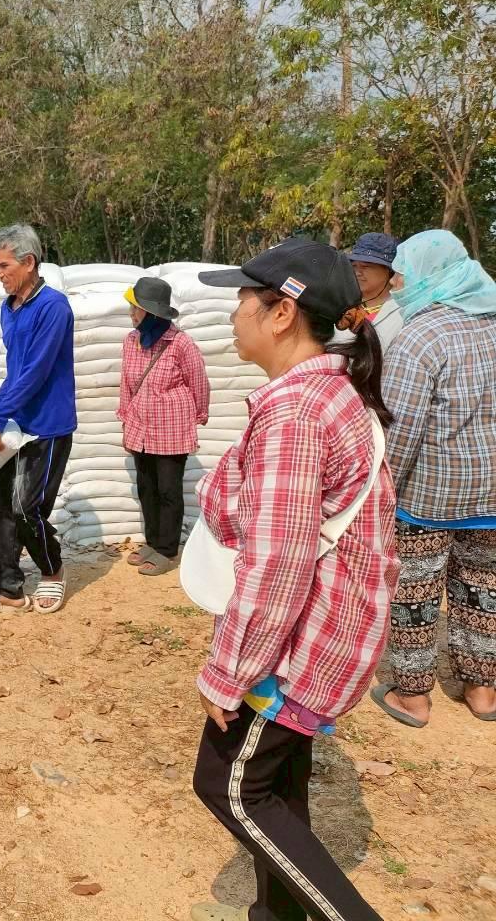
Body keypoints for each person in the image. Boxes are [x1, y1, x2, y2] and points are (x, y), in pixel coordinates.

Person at [188, 238, 399, 921]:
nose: (234, 313)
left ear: (281, 312)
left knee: (230, 788)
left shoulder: (296, 415)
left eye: (244, 299)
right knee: (277, 786)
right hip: (326, 634)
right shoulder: (330, 390)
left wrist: (229, 670)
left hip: (294, 649)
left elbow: (277, 565)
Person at [369, 229, 496, 728]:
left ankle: (413, 697)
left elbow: (400, 428)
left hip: (428, 496)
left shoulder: (421, 336)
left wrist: (382, 489)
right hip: (491, 494)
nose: (398, 284)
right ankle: (483, 691)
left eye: (403, 273)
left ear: (431, 275)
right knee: (483, 589)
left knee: (415, 594)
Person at [0, 224, 76, 614]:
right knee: (0, 506)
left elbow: (36, 371)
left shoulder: (53, 308)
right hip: (16, 421)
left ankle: (52, 571)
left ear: (29, 262)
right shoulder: (9, 307)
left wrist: (0, 415)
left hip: (46, 425)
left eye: (4, 266)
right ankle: (10, 590)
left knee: (26, 507)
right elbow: (15, 370)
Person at [116, 276, 209, 575]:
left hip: (171, 428)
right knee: (147, 488)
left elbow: (199, 382)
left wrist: (199, 415)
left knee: (168, 490)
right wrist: (125, 418)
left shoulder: (181, 343)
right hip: (140, 427)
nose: (131, 314)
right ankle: (153, 543)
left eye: (136, 309)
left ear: (152, 312)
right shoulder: (131, 342)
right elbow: (126, 384)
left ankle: (167, 551)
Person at [348, 232, 404, 347]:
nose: (357, 273)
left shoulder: (403, 313)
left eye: (365, 266)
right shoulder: (342, 305)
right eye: (354, 266)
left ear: (389, 271)